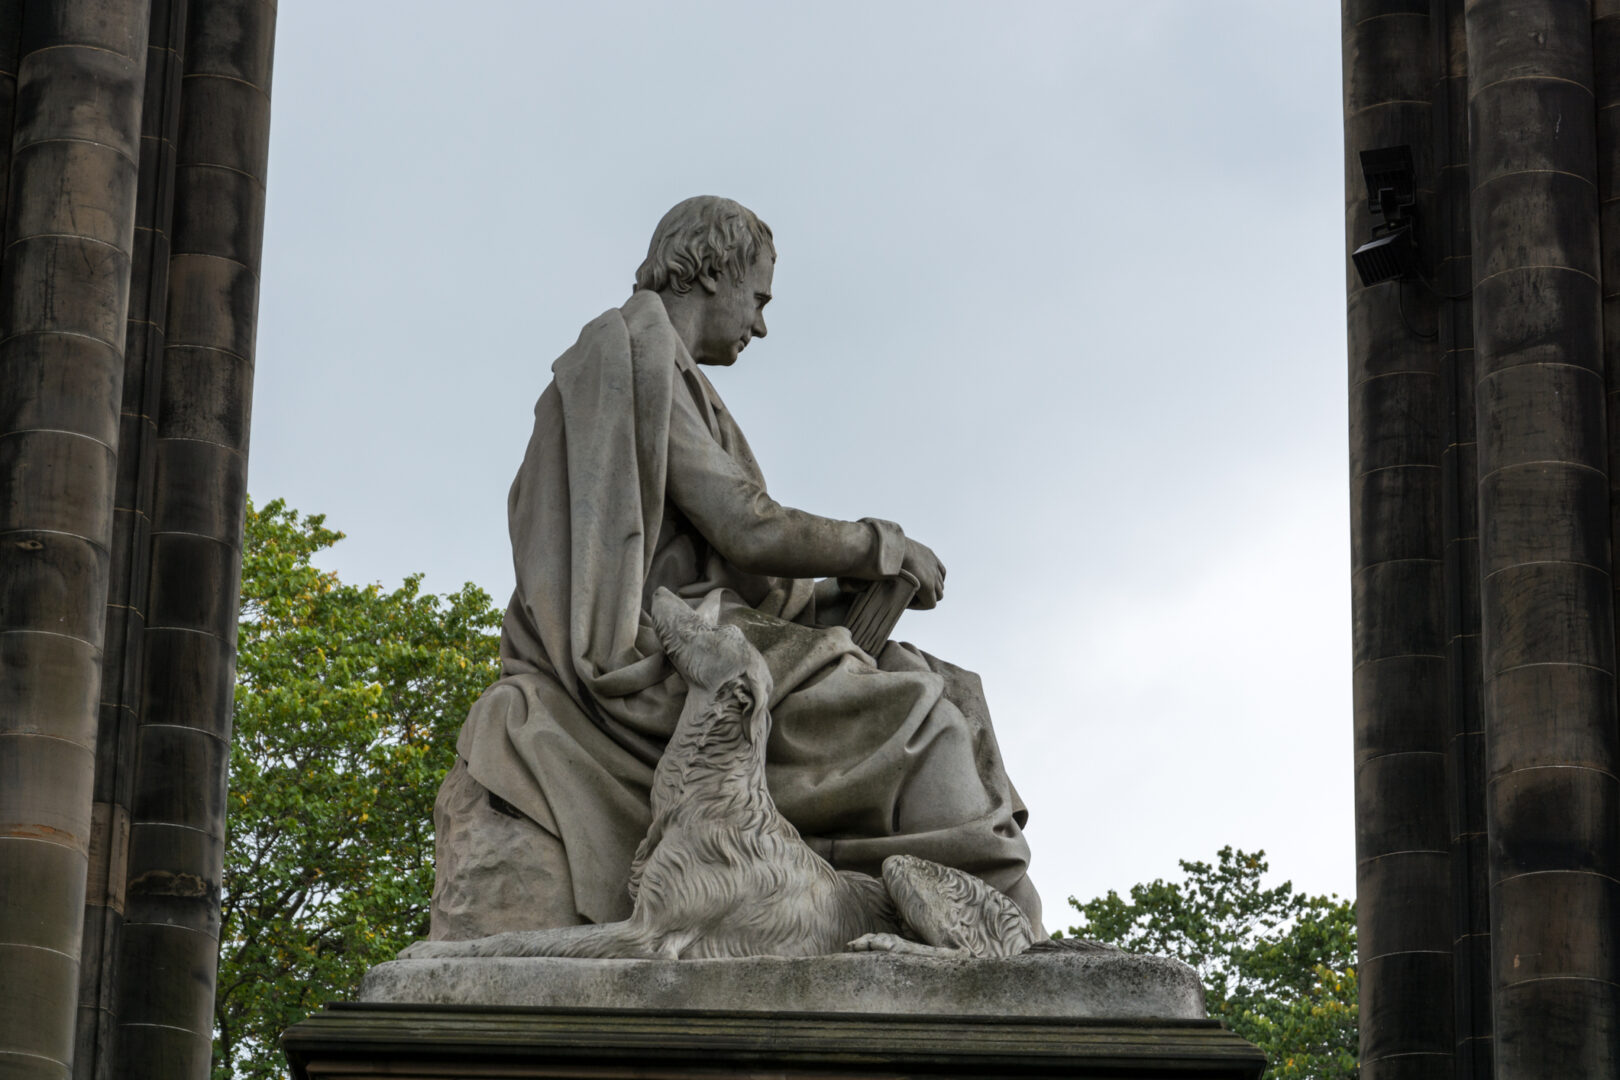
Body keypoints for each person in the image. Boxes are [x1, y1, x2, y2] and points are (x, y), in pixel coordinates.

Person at [430, 196, 1042, 939]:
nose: (759, 324)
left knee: (951, 685)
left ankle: (1000, 927)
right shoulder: (632, 352)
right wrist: (882, 545)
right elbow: (742, 525)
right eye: (757, 299)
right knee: (921, 712)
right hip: (664, 649)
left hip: (723, 623)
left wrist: (831, 597)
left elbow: (738, 562)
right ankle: (992, 935)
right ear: (712, 272)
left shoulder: (673, 371)